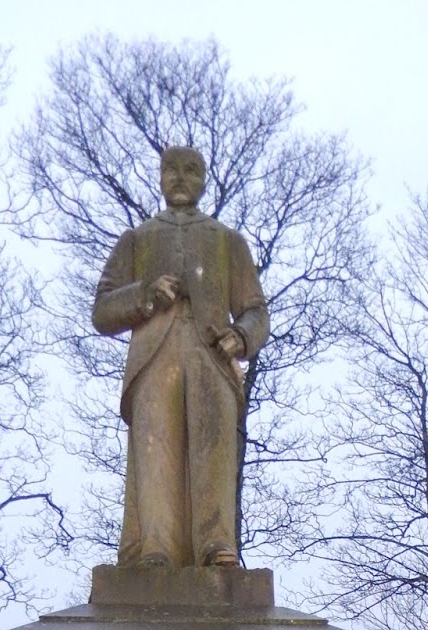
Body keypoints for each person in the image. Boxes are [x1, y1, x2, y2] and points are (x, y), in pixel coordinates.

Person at [91, 146, 269, 568]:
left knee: (214, 448)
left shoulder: (227, 241)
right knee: (156, 450)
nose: (180, 178)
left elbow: (256, 310)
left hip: (211, 356)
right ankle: (156, 549)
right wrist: (145, 294)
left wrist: (241, 336)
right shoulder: (138, 239)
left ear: (204, 180)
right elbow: (102, 310)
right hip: (155, 355)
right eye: (171, 169)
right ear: (159, 176)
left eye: (191, 171)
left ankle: (216, 543)